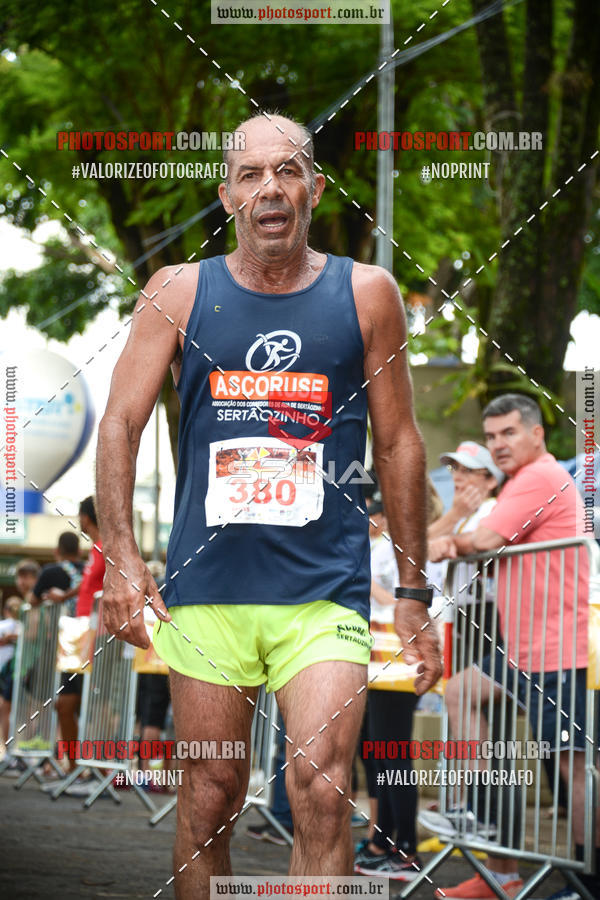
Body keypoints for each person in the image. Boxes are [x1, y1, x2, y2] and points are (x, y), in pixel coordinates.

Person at [96, 111, 442, 898]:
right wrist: (123, 558)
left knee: (321, 792)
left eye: (287, 171)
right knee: (211, 797)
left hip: (323, 591)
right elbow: (118, 422)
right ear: (227, 196)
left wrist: (415, 592)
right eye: (250, 175)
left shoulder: (368, 292)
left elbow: (399, 444)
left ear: (315, 189)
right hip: (208, 587)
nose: (270, 188)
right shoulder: (179, 291)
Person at [429, 394, 599, 900]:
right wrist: (452, 534)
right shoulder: (519, 484)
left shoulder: (538, 478)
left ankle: (590, 882)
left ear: (536, 433)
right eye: (492, 436)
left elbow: (482, 541)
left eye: (508, 434)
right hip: (524, 650)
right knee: (460, 693)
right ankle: (490, 839)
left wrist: (453, 541)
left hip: (557, 650)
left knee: (573, 766)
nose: (499, 445)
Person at [48, 497, 104, 773]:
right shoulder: (96, 550)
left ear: (85, 518)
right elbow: (87, 586)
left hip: (92, 639)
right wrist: (67, 595)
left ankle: (93, 768)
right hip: (79, 637)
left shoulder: (106, 548)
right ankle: (76, 767)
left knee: (87, 706)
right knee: (69, 705)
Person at [32, 531, 83, 616]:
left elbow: (33, 600)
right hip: (87, 621)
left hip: (59, 625)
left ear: (57, 551)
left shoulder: (48, 572)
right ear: (79, 551)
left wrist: (47, 598)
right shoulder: (89, 569)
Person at [0, 596, 23, 763]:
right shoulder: (11, 626)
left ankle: (11, 751)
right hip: (11, 672)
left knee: (7, 708)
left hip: (14, 672)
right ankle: (10, 750)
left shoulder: (17, 627)